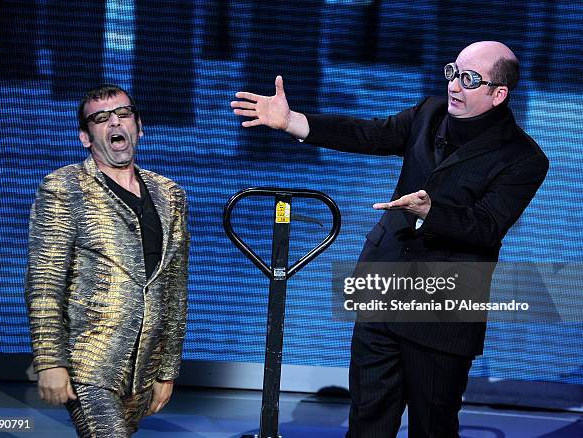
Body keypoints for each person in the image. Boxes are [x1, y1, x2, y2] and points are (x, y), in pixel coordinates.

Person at [231, 41, 548, 437]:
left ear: (498, 93)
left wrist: (430, 212)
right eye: (453, 71)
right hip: (384, 287)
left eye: (469, 79)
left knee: (432, 427)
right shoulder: (429, 113)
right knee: (367, 421)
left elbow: (486, 228)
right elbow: (368, 134)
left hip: (443, 308)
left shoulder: (523, 158)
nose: (454, 85)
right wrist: (293, 121)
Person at [25, 84, 190, 437]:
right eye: (101, 119)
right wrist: (50, 361)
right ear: (86, 137)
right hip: (90, 360)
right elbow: (45, 281)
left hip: (143, 369)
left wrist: (168, 370)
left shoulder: (170, 194)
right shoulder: (64, 187)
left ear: (138, 126)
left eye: (123, 114)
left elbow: (174, 289)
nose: (114, 122)